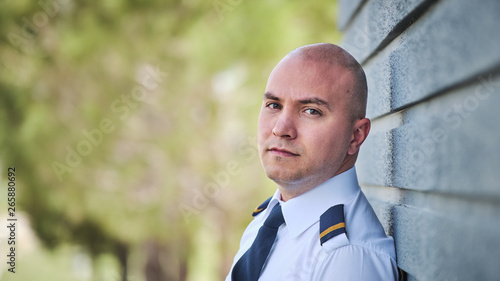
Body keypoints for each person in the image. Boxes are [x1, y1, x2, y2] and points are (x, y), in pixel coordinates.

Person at [225, 43, 398, 281]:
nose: (281, 129)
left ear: (355, 136)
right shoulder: (270, 218)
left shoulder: (347, 258)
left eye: (311, 111)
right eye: (274, 105)